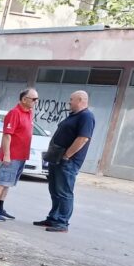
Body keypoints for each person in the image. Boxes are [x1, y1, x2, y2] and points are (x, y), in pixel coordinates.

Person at [36, 91, 94, 233]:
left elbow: (83, 138)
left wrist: (67, 155)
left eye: (71, 100)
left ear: (80, 100)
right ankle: (53, 218)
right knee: (54, 190)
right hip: (56, 158)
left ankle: (62, 222)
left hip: (68, 161)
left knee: (64, 192)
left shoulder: (86, 116)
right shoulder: (73, 116)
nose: (69, 102)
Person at [0, 88, 38, 222]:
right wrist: (7, 154)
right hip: (12, 154)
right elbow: (7, 136)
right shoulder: (15, 113)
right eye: (33, 99)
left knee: (8, 183)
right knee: (2, 182)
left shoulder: (30, 113)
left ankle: (0, 207)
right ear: (24, 99)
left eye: (37, 99)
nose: (35, 102)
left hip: (21, 155)